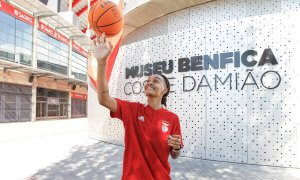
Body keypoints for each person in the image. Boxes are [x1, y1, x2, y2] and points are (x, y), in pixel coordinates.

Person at [93, 33, 183, 180]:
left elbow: (174, 155)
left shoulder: (172, 118)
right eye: (147, 80)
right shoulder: (132, 110)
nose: (149, 82)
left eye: (156, 80)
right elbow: (103, 98)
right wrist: (102, 62)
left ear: (165, 90)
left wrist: (176, 147)